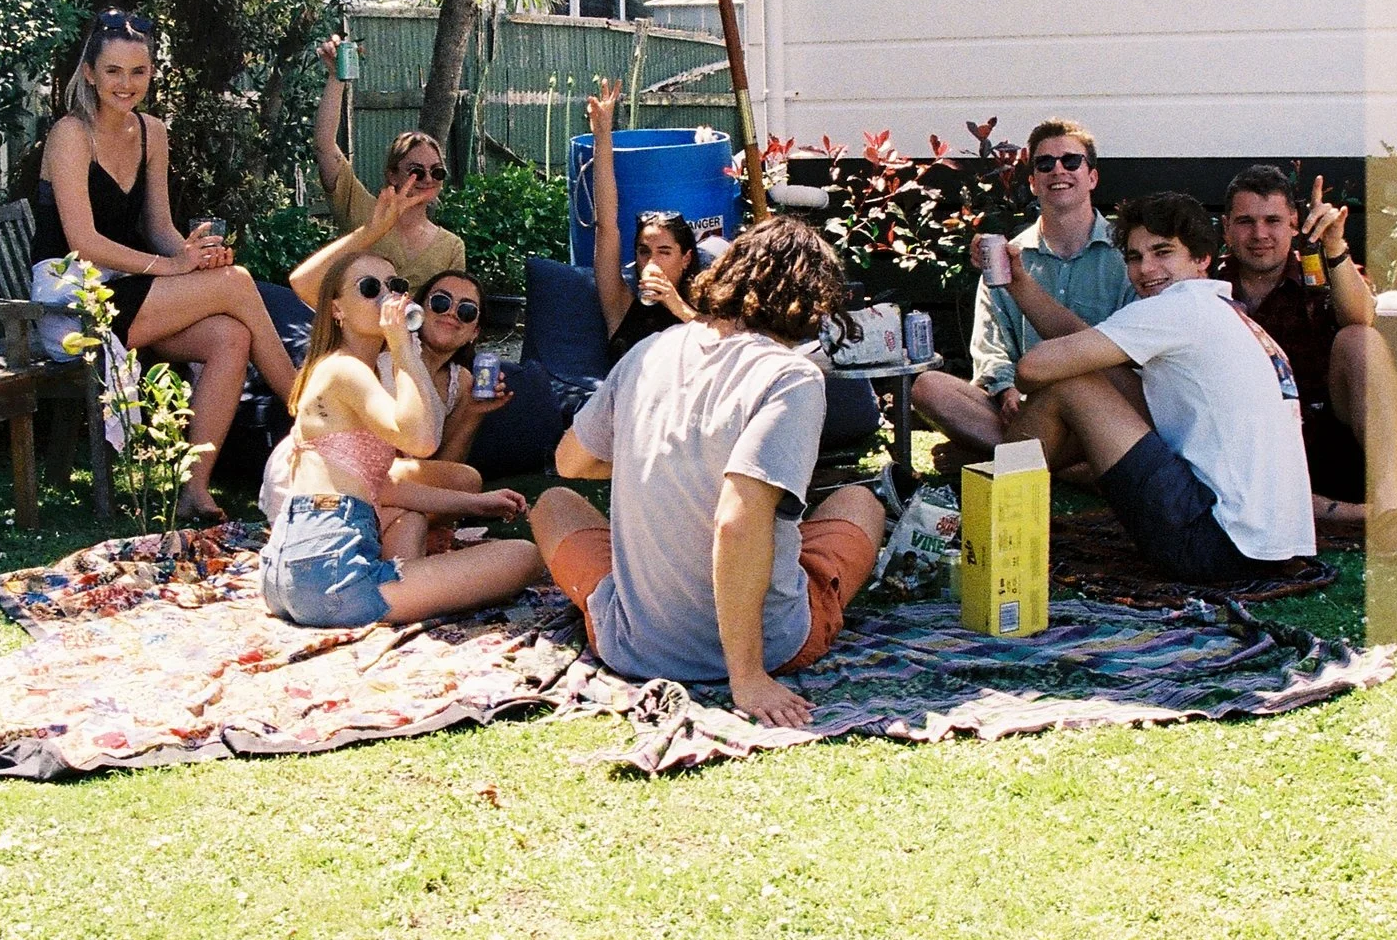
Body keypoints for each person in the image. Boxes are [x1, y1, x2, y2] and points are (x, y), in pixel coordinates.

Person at [529, 219, 890, 729]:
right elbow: (735, 523)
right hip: (769, 645)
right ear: (811, 303)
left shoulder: (646, 353)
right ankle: (753, 646)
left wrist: (651, 459)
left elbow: (571, 463)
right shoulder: (791, 376)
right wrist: (747, 676)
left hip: (635, 643)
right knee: (859, 500)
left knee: (553, 505)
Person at [29, 9, 299, 522]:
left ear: (151, 74)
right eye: (113, 71)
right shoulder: (70, 133)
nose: (125, 84)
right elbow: (83, 243)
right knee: (238, 284)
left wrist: (192, 257)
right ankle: (310, 414)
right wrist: (173, 268)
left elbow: (159, 226)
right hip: (74, 304)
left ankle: (193, 490)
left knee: (229, 336)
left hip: (129, 292)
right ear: (89, 72)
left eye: (138, 72)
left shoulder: (152, 132)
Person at [1002, 192, 1315, 584]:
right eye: (1134, 257)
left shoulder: (1174, 308)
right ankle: (994, 492)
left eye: (1162, 252)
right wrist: (1019, 285)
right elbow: (1083, 341)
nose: (1146, 269)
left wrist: (1034, 385)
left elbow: (1033, 368)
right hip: (1268, 550)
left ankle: (987, 521)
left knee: (1071, 385)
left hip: (1215, 546)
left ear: (1202, 259)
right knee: (1096, 372)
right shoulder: (1224, 313)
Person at [259, 250, 543, 628]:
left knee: (409, 519)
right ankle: (409, 587)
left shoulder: (348, 369)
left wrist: (477, 504)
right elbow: (421, 440)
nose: (387, 298)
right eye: (370, 288)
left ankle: (411, 584)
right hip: (329, 575)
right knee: (524, 556)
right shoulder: (345, 370)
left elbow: (386, 485)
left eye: (394, 286)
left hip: (293, 571)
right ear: (337, 309)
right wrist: (402, 346)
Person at [1217, 166, 1397, 556]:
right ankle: (1362, 514)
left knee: (1362, 341)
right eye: (1245, 222)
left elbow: (1362, 318)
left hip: (1328, 439)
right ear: (1226, 228)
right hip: (1251, 455)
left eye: (1272, 220)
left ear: (1294, 224)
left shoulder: (1324, 269)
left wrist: (1336, 246)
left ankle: (1391, 513)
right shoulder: (1208, 283)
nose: (1259, 235)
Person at [916, 118, 1136, 464]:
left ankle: (1006, 458)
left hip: (1100, 409)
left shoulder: (1128, 256)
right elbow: (989, 348)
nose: (1058, 170)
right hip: (1023, 411)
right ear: (1033, 182)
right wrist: (1006, 390)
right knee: (929, 388)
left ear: (1092, 176)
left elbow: (1131, 360)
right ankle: (1056, 463)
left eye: (1071, 161)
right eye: (1044, 164)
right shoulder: (1006, 259)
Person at [312, 35, 467, 285]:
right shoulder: (362, 210)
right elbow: (324, 147)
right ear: (392, 174)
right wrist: (335, 78)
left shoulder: (451, 247)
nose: (428, 179)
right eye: (417, 171)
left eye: (437, 172)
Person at [584, 80, 700, 364]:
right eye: (644, 251)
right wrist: (602, 136)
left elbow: (724, 349)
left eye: (664, 252)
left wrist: (675, 304)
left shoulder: (703, 308)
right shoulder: (621, 305)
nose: (651, 261)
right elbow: (607, 225)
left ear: (686, 259)